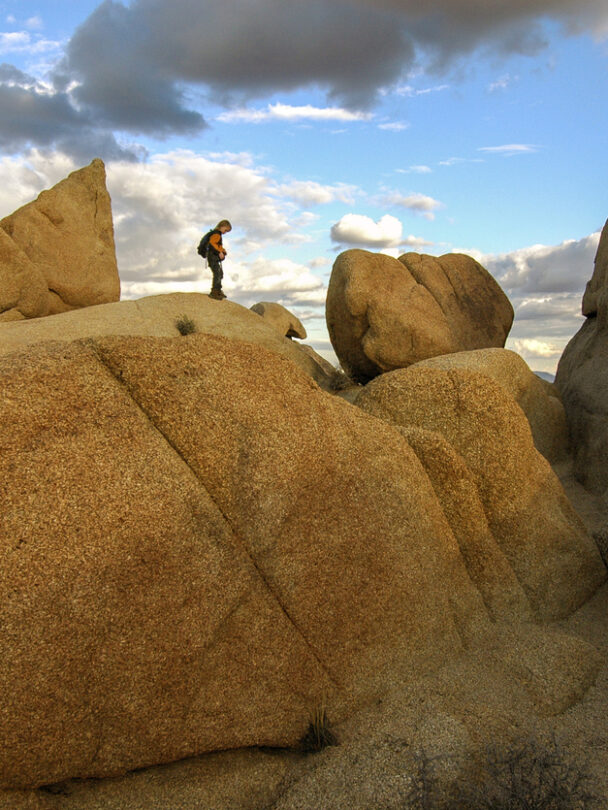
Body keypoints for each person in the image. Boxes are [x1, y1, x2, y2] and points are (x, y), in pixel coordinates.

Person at [204, 219, 232, 300]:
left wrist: (223, 251)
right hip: (212, 257)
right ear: (222, 226)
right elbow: (212, 244)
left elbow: (217, 245)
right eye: (225, 230)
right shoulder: (216, 234)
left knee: (219, 273)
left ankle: (218, 290)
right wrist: (219, 252)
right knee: (217, 273)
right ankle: (215, 292)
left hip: (213, 257)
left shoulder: (217, 234)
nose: (225, 232)